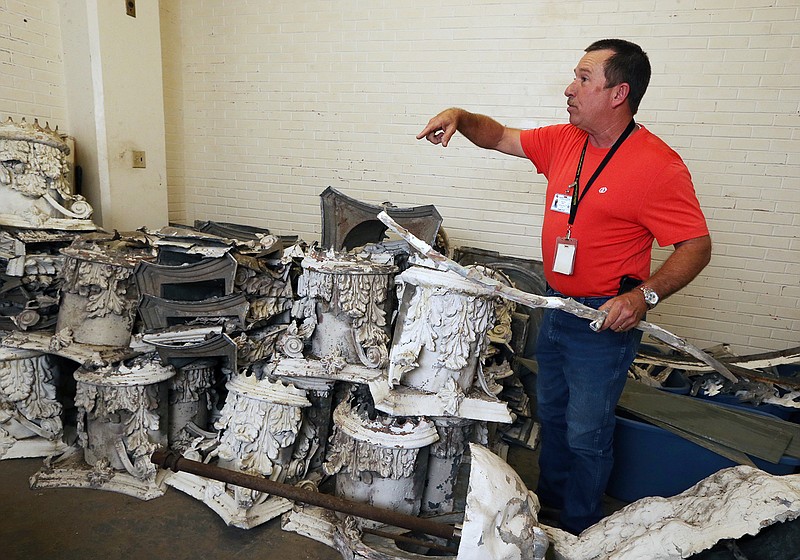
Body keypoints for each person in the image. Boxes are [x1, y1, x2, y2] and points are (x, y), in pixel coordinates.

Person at [417, 39, 711, 535]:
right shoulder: (565, 140)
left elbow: (696, 246)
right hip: (556, 305)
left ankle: (578, 527)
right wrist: (461, 116)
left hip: (602, 319)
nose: (569, 89)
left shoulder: (657, 165)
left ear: (618, 93)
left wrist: (644, 297)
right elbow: (500, 137)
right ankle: (547, 511)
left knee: (586, 432)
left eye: (582, 79)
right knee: (551, 415)